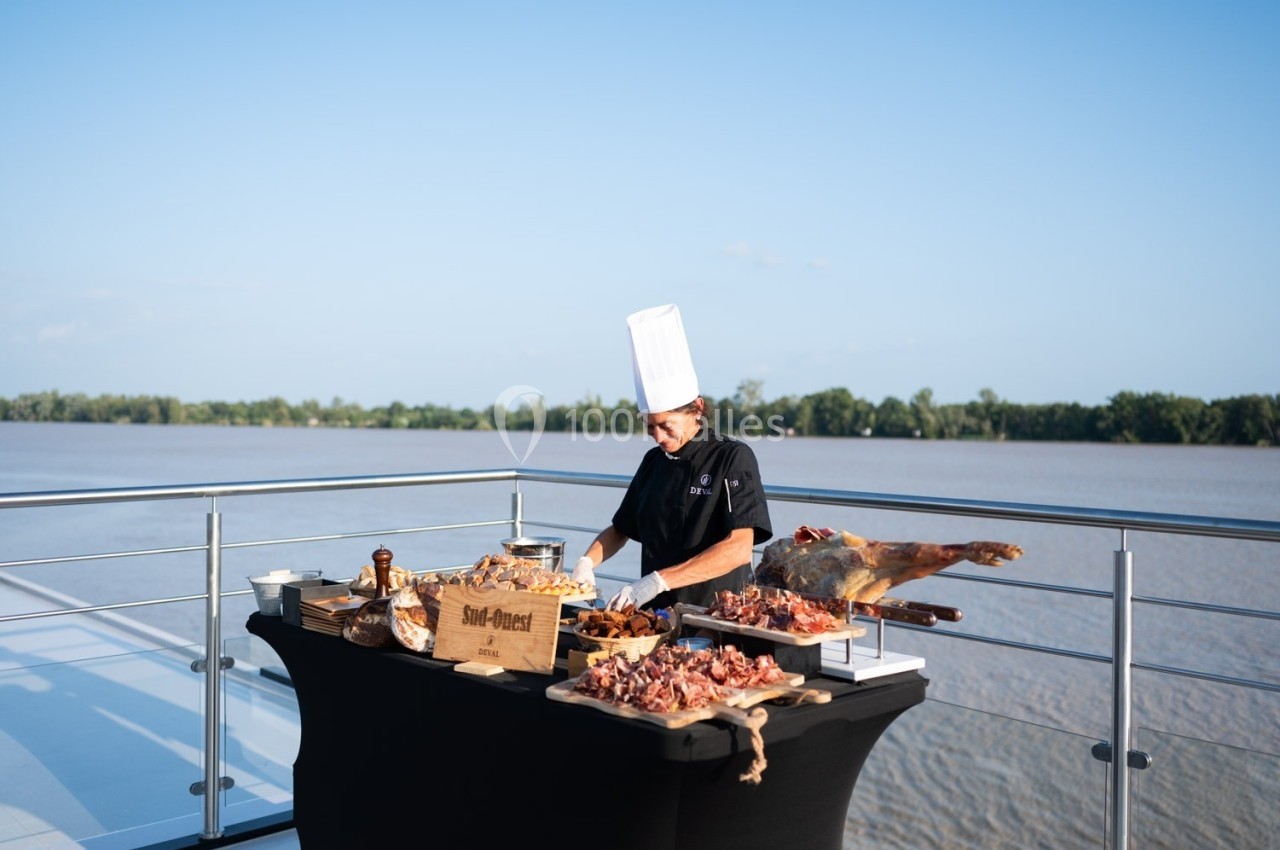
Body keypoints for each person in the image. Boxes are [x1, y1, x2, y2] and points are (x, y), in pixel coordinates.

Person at [570, 304, 772, 611]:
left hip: (716, 612)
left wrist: (656, 581)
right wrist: (586, 562)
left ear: (698, 409)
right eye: (650, 427)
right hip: (656, 615)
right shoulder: (653, 461)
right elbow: (621, 529)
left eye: (667, 426)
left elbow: (739, 549)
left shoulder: (732, 457)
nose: (659, 438)